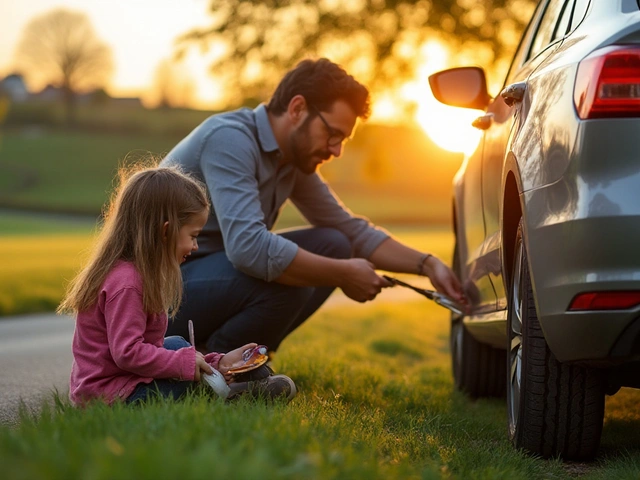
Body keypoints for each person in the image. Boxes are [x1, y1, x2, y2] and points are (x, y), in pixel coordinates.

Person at [160, 58, 465, 356]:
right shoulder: (230, 139)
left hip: (201, 282)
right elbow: (248, 248)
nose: (336, 150)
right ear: (297, 109)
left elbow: (350, 230)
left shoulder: (291, 161)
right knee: (291, 271)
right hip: (155, 293)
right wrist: (342, 274)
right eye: (333, 134)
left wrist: (427, 264)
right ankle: (220, 363)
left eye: (343, 140)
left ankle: (220, 357)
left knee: (333, 243)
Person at [58, 165, 296, 406]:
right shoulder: (127, 284)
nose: (195, 246)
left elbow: (153, 348)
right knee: (181, 377)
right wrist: (185, 364)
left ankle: (224, 374)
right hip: (110, 395)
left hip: (125, 380)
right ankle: (232, 397)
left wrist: (216, 361)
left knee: (177, 344)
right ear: (166, 231)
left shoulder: (137, 274)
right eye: (193, 236)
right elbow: (128, 353)